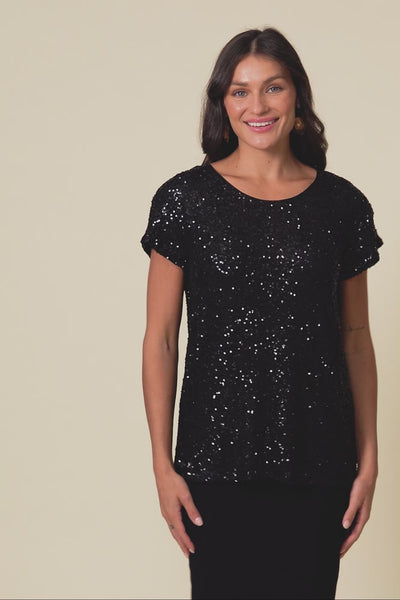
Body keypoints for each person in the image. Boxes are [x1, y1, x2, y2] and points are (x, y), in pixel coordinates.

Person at [140, 26, 383, 600]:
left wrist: (369, 460)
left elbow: (355, 337)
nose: (258, 106)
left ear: (297, 96)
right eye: (240, 91)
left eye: (273, 87)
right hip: (214, 466)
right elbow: (162, 338)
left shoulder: (342, 205)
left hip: (320, 464)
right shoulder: (185, 200)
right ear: (223, 104)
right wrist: (162, 466)